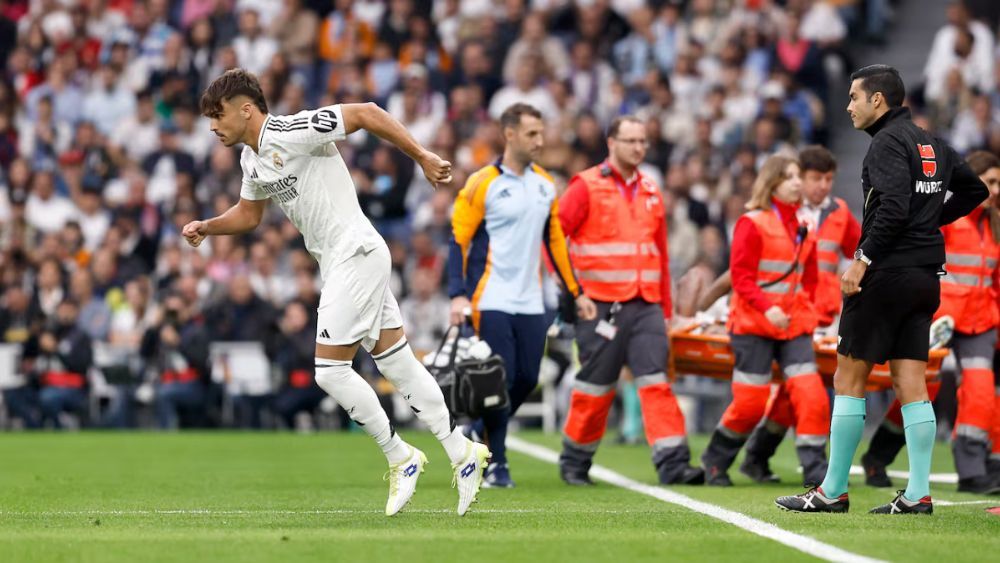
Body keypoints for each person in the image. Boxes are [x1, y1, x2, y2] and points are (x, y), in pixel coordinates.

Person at [182, 68, 488, 517]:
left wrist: (422, 156)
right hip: (344, 261)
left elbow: (365, 113)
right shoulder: (253, 160)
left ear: (246, 109)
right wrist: (208, 226)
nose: (213, 126)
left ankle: (399, 456)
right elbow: (250, 216)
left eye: (218, 115)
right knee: (397, 361)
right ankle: (462, 452)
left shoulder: (291, 130)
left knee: (328, 371)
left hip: (356, 253)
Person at [777, 64, 988, 515]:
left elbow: (891, 206)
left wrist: (862, 259)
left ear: (878, 100)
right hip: (925, 276)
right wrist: (928, 224)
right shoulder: (933, 142)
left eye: (854, 97)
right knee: (910, 380)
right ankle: (918, 493)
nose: (848, 105)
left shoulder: (887, 144)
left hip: (886, 273)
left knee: (848, 377)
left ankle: (831, 491)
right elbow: (973, 191)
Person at [448, 103, 597, 488]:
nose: (540, 141)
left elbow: (556, 243)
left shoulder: (546, 184)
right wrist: (457, 295)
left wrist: (575, 290)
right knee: (502, 378)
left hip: (531, 300)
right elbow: (458, 242)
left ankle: (477, 428)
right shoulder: (482, 182)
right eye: (532, 133)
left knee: (528, 378)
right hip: (490, 296)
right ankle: (497, 464)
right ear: (509, 134)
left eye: (541, 133)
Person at [557, 115, 703, 487]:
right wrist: (575, 294)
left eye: (643, 141)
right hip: (599, 305)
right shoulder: (585, 186)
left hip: (646, 305)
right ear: (612, 143)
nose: (639, 147)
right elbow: (554, 240)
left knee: (657, 382)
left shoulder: (652, 190)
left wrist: (667, 311)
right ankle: (575, 461)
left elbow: (660, 255)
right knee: (595, 387)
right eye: (631, 141)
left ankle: (673, 464)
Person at [859, 150, 1000, 495]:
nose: (996, 190)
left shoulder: (995, 226)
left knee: (981, 393)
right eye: (991, 182)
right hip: (938, 317)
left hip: (980, 322)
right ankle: (877, 457)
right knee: (922, 392)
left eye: (999, 184)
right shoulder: (946, 216)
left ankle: (971, 472)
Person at [699, 155, 830, 487]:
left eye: (798, 175)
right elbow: (740, 278)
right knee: (750, 403)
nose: (798, 182)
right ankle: (715, 461)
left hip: (793, 325)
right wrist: (765, 307)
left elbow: (810, 277)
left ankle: (816, 471)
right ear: (772, 184)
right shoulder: (752, 222)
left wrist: (811, 311)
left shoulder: (805, 225)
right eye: (789, 177)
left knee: (811, 395)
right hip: (754, 325)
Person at [740, 145, 861, 485]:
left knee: (803, 390)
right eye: (814, 178)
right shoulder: (779, 215)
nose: (822, 185)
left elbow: (860, 252)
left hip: (825, 315)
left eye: (828, 178)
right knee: (806, 390)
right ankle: (796, 462)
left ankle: (758, 456)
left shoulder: (839, 211)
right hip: (790, 314)